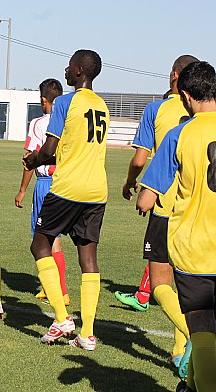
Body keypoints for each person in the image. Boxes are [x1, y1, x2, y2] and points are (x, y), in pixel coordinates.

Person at [115, 55, 198, 370]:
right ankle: (180, 354)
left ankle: (193, 335)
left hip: (166, 206)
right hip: (202, 211)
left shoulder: (158, 109)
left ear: (176, 76)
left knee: (161, 280)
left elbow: (140, 159)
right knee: (188, 285)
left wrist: (131, 183)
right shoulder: (209, 115)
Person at [137, 60, 216, 392]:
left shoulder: (180, 133)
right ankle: (192, 385)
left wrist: (145, 196)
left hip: (195, 251)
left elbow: (146, 199)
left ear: (185, 96)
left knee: (202, 329)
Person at [24, 50, 108, 350]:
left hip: (68, 187)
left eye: (70, 65)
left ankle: (62, 318)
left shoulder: (64, 102)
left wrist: (33, 160)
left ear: (80, 71)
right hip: (97, 190)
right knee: (88, 258)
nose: (66, 68)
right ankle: (87, 333)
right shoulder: (102, 105)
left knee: (40, 244)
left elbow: (49, 149)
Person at [15, 78, 70, 306]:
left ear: (43, 99)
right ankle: (55, 287)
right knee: (55, 237)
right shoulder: (68, 120)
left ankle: (59, 290)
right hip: (66, 182)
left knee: (44, 239)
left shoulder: (39, 123)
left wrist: (22, 190)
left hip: (46, 182)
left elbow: (31, 159)